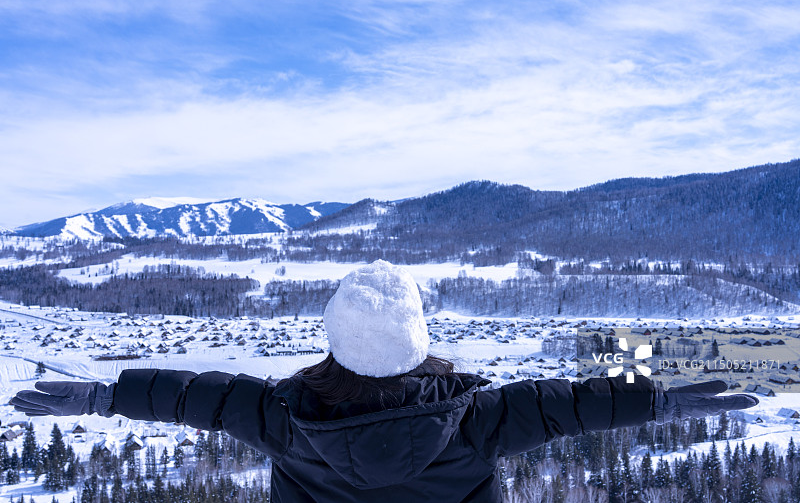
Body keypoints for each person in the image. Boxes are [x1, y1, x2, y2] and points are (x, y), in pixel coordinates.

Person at [11, 260, 758, 503]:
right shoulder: (479, 418)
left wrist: (104, 392)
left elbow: (188, 394)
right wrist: (658, 394)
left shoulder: (282, 413)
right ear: (418, 342)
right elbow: (570, 404)